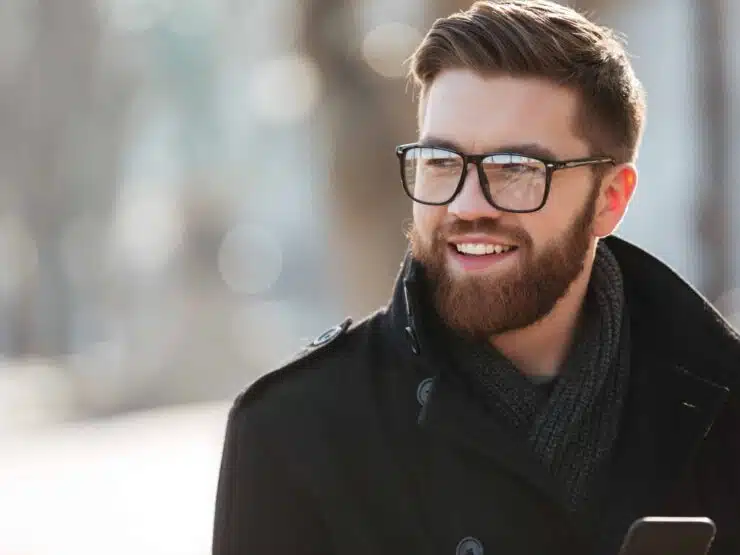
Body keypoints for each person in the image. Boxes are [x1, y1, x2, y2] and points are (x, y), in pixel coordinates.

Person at [212, 1, 740, 554]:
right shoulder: (294, 434)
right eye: (440, 162)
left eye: (515, 169)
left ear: (609, 199)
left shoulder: (724, 417)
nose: (466, 205)